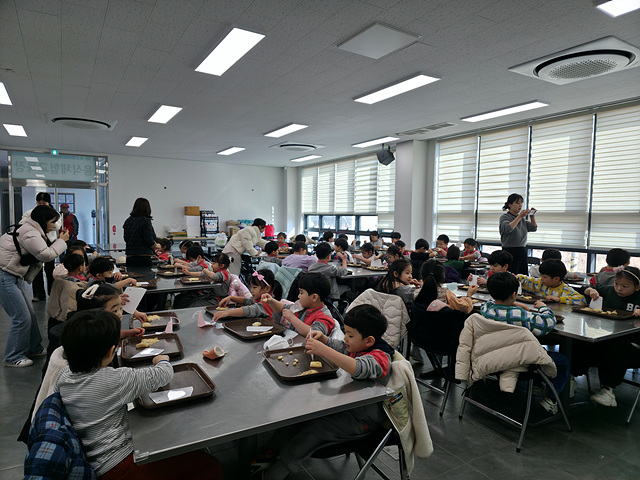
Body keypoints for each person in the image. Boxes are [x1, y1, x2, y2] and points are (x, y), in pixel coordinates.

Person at [54, 309, 222, 479]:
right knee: (209, 465)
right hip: (121, 465)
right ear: (110, 352)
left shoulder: (64, 376)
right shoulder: (115, 380)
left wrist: (123, 335)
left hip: (93, 458)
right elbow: (162, 375)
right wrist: (162, 360)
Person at [256, 305, 394, 480]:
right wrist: (325, 340)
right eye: (345, 332)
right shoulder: (357, 346)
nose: (345, 338)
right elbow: (342, 347)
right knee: (296, 418)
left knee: (313, 432)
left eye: (350, 335)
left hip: (361, 420)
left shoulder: (381, 358)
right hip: (343, 407)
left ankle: (275, 472)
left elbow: (358, 367)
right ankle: (269, 452)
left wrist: (323, 350)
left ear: (369, 341)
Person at [481, 272, 569, 414]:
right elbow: (547, 323)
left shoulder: (486, 309)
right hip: (520, 362)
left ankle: (538, 386)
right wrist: (543, 307)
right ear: (514, 294)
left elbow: (490, 303)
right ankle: (552, 399)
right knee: (563, 360)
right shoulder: (522, 316)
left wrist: (513, 303)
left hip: (493, 358)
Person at [0, 205, 69, 367]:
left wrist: (58, 241)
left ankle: (33, 348)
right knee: (21, 317)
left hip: (12, 275)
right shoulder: (30, 232)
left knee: (29, 315)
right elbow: (46, 254)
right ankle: (12, 356)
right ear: (43, 221)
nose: (54, 226)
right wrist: (61, 241)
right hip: (4, 276)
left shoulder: (32, 230)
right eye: (52, 222)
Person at [578, 267, 640, 407]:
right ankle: (571, 378)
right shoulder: (609, 291)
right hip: (607, 337)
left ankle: (608, 390)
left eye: (625, 286)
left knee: (616, 349)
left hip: (633, 343)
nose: (619, 288)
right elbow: (584, 288)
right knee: (582, 342)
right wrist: (590, 291)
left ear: (637, 287)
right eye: (616, 284)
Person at [262, 272, 335, 338]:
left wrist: (292, 318)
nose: (298, 296)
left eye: (301, 293)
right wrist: (271, 301)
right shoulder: (302, 305)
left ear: (314, 297)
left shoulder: (324, 316)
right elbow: (283, 309)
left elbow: (315, 334)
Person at [21, 192, 62, 301]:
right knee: (36, 268)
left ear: (49, 203)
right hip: (35, 242)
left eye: (44, 203)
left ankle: (52, 292)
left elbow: (57, 226)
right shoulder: (30, 213)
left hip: (50, 242)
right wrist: (36, 217)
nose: (42, 205)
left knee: (50, 269)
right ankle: (38, 294)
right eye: (39, 203)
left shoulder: (55, 213)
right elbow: (22, 223)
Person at [214, 269, 283, 322]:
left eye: (254, 287)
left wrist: (228, 313)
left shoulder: (268, 303)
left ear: (267, 288)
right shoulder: (260, 298)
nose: (251, 290)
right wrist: (231, 298)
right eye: (251, 287)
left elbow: (250, 310)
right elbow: (247, 300)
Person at [517, 259, 586, 305]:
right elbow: (527, 280)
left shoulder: (565, 290)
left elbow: (582, 300)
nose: (541, 279)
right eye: (541, 276)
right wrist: (518, 277)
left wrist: (559, 299)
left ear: (556, 279)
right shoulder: (540, 283)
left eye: (544, 277)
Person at [499, 193, 537, 274]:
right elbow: (508, 228)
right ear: (510, 204)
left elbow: (533, 228)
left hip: (522, 249)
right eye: (517, 203)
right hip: (509, 250)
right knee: (511, 274)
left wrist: (532, 216)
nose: (520, 205)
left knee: (523, 275)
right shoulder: (505, 217)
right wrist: (519, 216)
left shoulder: (522, 219)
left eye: (521, 203)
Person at [123, 197, 158, 268]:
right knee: (145, 275)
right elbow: (148, 239)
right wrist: (155, 245)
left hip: (130, 257)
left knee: (132, 274)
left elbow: (126, 238)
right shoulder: (146, 221)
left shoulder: (128, 220)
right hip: (143, 257)